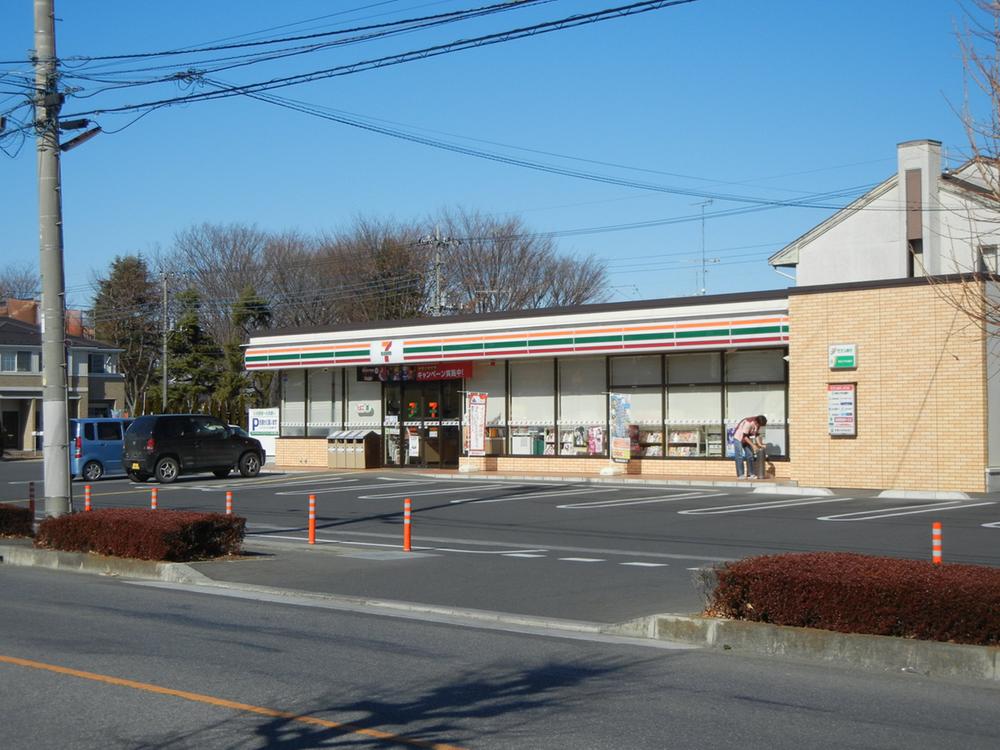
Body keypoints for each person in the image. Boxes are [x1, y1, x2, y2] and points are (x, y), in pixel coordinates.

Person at [732, 414, 767, 479]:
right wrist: (753, 446)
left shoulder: (758, 424)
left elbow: (756, 435)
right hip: (738, 437)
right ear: (757, 422)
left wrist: (759, 444)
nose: (760, 426)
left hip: (746, 438)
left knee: (750, 455)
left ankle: (751, 474)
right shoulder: (748, 423)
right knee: (739, 456)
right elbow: (744, 437)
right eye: (761, 425)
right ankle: (740, 475)